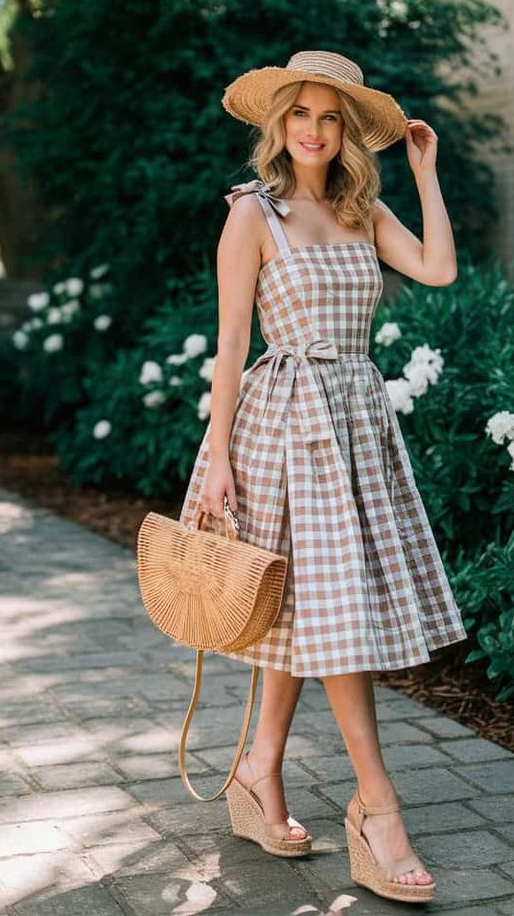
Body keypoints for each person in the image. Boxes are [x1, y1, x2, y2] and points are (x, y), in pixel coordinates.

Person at [177, 50, 468, 904]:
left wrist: (424, 172)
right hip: (280, 426)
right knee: (323, 611)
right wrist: (217, 456)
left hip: (354, 425)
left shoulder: (362, 207)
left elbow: (441, 268)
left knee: (316, 610)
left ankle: (259, 770)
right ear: (280, 124)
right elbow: (232, 343)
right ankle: (377, 808)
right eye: (300, 113)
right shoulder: (251, 215)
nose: (312, 127)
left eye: (329, 116)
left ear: (346, 132)